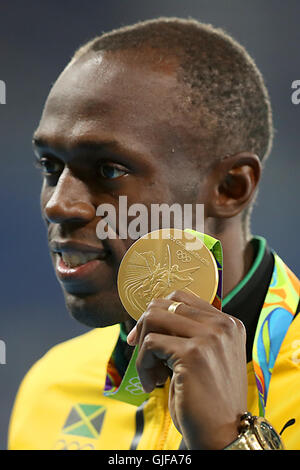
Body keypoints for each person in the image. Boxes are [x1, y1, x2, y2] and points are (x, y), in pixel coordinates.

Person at [8, 17, 299, 450]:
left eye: (109, 170)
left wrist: (228, 441)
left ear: (230, 187)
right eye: (51, 167)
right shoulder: (51, 385)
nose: (57, 204)